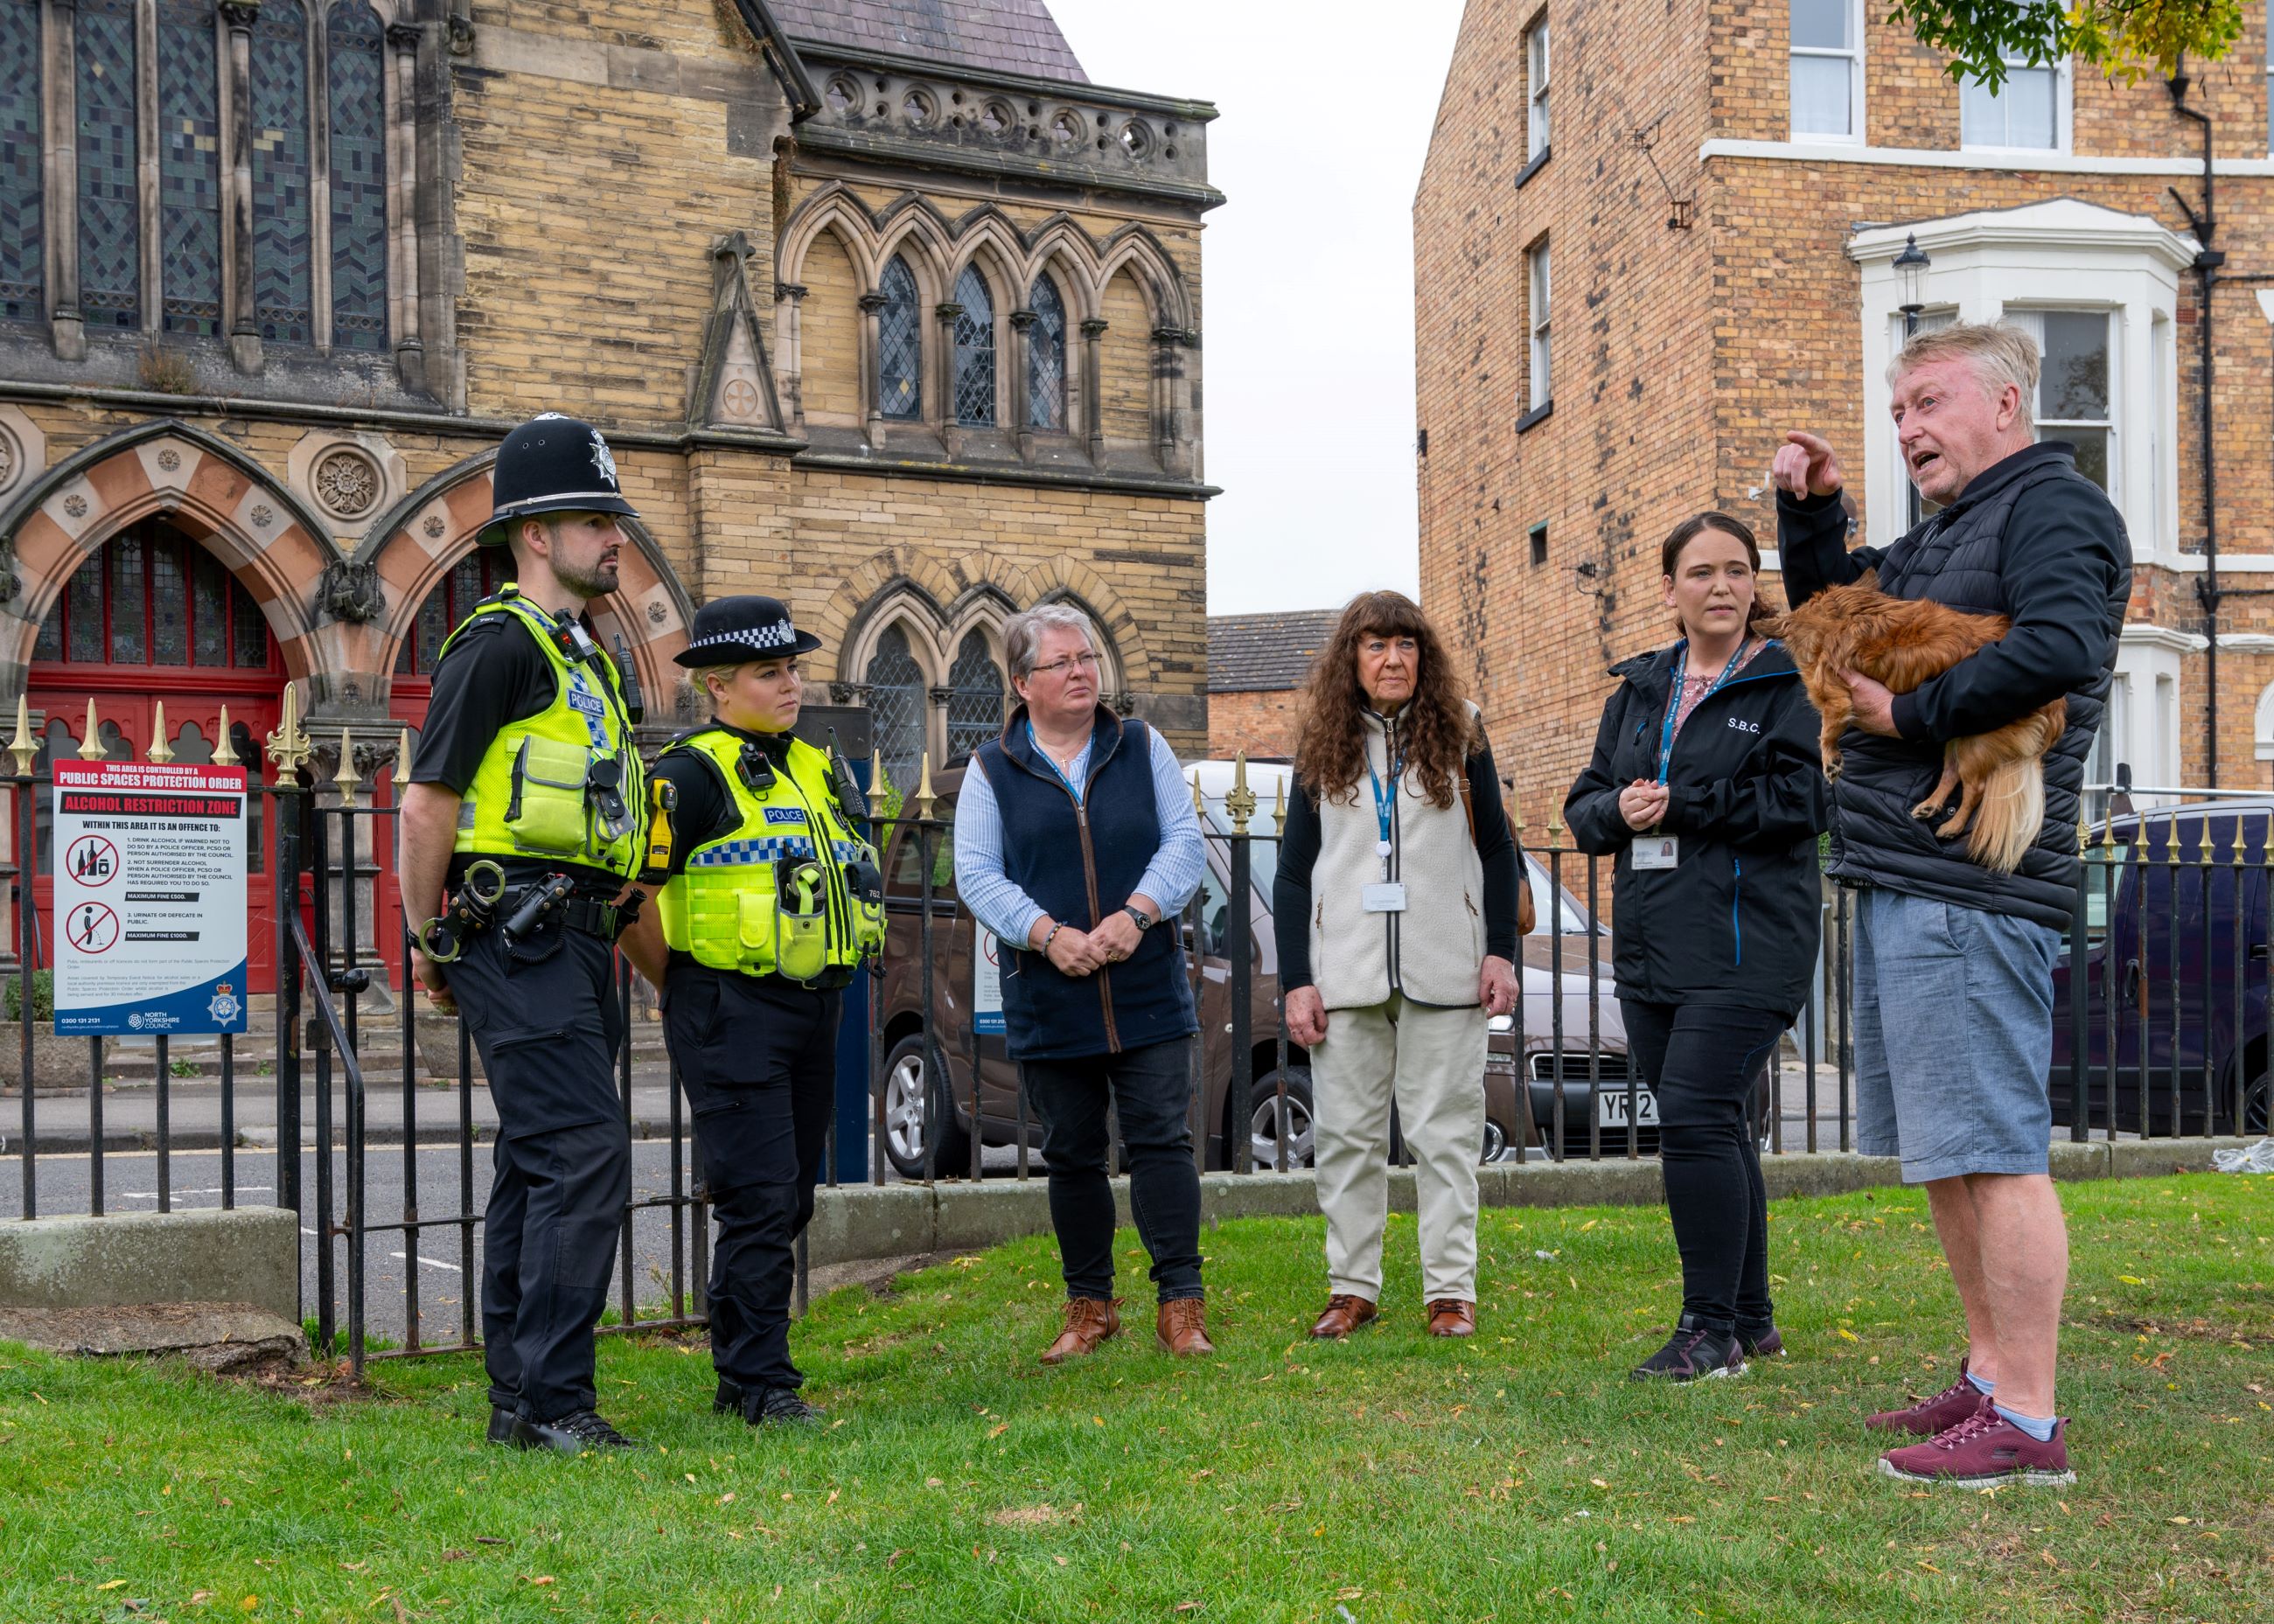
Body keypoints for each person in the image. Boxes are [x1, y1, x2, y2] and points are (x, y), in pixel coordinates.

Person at [1774, 320, 2129, 1487]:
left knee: (1995, 1147)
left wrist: (1912, 718)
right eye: (1898, 413)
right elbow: (1838, 628)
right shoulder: (1947, 534)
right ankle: (1988, 1377)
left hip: (1975, 881)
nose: (1908, 428)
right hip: (1906, 872)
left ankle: (2027, 1416)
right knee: (1947, 1152)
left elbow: (2067, 646)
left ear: (2007, 406)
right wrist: (1815, 520)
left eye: (1929, 403)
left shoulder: (2052, 510)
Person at [398, 414, 650, 1453]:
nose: (617, 539)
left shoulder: (587, 657)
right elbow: (426, 805)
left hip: (580, 939)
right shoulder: (497, 646)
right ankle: (552, 1404)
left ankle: (520, 1400)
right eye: (598, 520)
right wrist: (431, 942)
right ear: (535, 534)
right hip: (513, 929)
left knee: (542, 1161)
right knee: (585, 1154)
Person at [1563, 514, 1829, 1380]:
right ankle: (1750, 1320)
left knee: (1688, 1115)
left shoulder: (1789, 684)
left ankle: (1705, 1330)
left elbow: (1802, 806)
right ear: (1669, 588)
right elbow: (1583, 808)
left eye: (1736, 572)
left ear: (1754, 585)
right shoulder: (1639, 690)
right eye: (1700, 572)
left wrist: (1681, 803)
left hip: (1749, 946)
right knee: (1715, 1122)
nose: (1720, 586)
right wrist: (1619, 813)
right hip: (1651, 945)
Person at [617, 596, 885, 1430]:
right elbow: (631, 899)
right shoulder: (687, 773)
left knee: (790, 1196)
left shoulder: (815, 763)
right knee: (759, 1196)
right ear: (718, 686)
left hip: (815, 1006)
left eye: (793, 668)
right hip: (729, 1004)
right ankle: (764, 1383)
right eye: (770, 672)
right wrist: (681, 983)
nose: (791, 684)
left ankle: (743, 1368)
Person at [952, 603, 1214, 1363]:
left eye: (1088, 658)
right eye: (1062, 662)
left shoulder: (1142, 745)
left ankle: (1181, 1306)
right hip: (1049, 991)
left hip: (1147, 988)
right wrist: (1046, 933)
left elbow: (1186, 843)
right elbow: (975, 872)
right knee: (1070, 1153)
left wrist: (1137, 913)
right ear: (1021, 680)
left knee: (1163, 1143)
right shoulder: (990, 768)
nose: (1081, 673)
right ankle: (1090, 1306)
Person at [1274, 590, 1520, 1342]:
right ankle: (1353, 1287)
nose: (1392, 658)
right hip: (1344, 974)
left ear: (1424, 656)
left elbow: (1498, 851)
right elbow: (1292, 873)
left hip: (1445, 967)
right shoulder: (1324, 741)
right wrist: (1296, 979)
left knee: (1445, 1136)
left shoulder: (1462, 731)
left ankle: (1450, 1290)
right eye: (1376, 645)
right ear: (1352, 658)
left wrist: (1500, 951)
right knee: (1346, 1136)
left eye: (1406, 645)